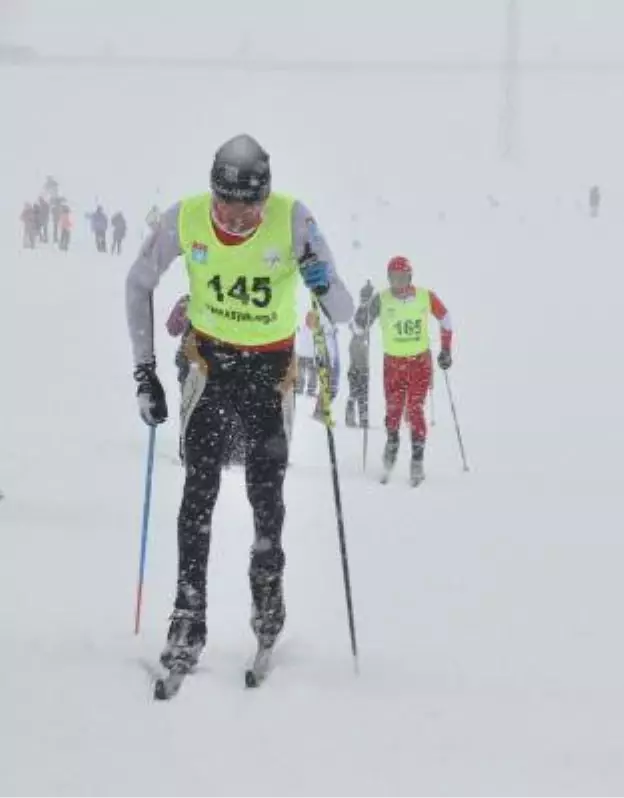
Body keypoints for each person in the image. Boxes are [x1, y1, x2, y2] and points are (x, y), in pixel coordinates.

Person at [124, 133, 353, 686]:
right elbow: (138, 282)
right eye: (226, 205)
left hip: (269, 376)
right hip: (210, 368)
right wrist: (144, 371)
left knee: (265, 494)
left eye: (249, 208)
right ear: (213, 193)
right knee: (197, 494)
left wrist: (322, 283)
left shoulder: (294, 220)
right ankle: (188, 617)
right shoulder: (186, 218)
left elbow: (342, 310)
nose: (236, 219)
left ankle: (266, 594)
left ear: (265, 198)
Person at [354, 256, 452, 485]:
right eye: (393, 278)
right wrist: (362, 314)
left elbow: (445, 318)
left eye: (402, 278)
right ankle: (392, 444)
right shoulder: (382, 299)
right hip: (393, 364)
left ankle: (417, 459)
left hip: (419, 362)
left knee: (416, 408)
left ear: (410, 277)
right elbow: (359, 327)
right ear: (388, 279)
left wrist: (446, 349)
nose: (398, 283)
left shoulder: (425, 296)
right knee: (394, 410)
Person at [345, 281, 375, 427]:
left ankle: (361, 417)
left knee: (359, 388)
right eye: (366, 297)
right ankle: (357, 417)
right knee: (358, 388)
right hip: (359, 355)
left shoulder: (364, 311)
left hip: (360, 354)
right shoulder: (362, 312)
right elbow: (358, 329)